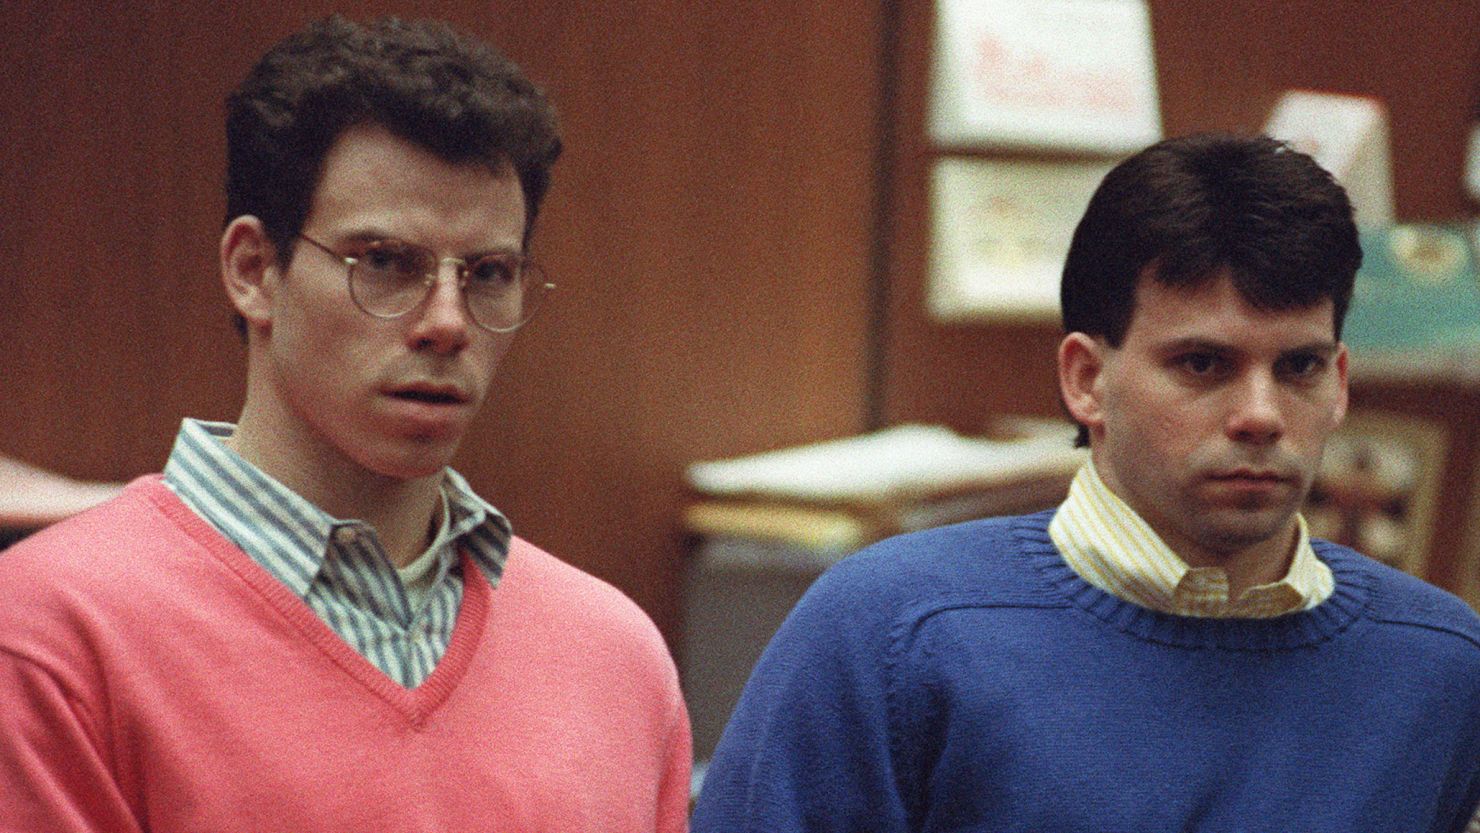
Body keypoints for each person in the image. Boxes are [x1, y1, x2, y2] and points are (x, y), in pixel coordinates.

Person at [0, 16, 690, 832]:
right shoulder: (53, 632)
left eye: (489, 273)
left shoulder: (614, 657)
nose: (448, 321)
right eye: (387, 263)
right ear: (254, 271)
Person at [691, 133, 1480, 832]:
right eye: (1202, 364)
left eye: (1298, 366)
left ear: (1340, 382)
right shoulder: (896, 630)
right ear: (1086, 379)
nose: (1260, 414)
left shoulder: (1438, 665)